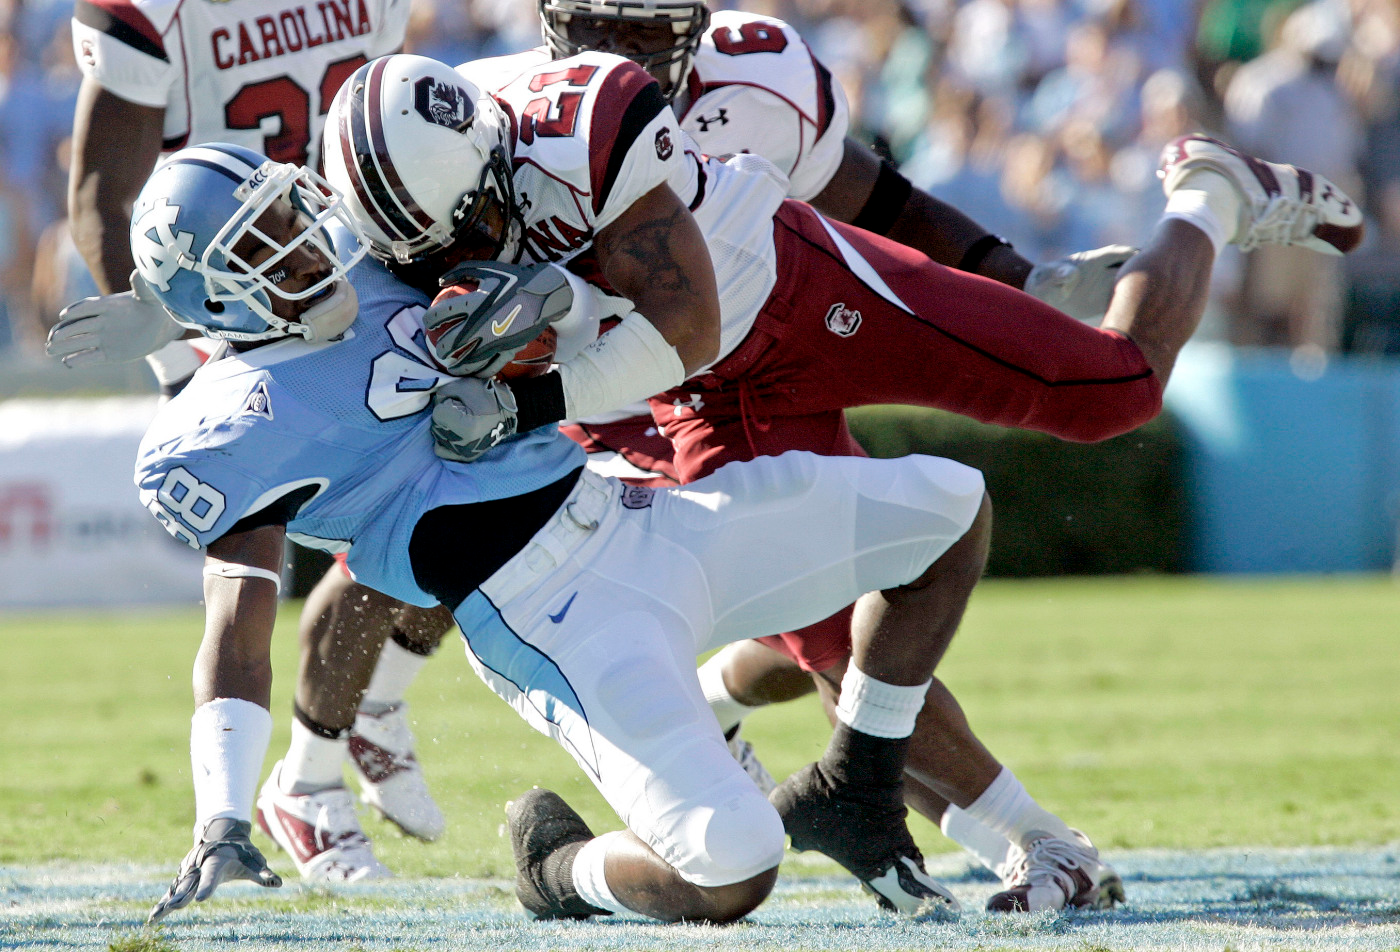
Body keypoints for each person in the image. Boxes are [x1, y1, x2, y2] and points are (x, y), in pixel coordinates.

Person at [267, 1, 1146, 910]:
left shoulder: (615, 116)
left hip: (770, 292)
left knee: (1109, 394)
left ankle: (1208, 199)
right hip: (653, 379)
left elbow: (714, 307)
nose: (463, 251)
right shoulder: (390, 176)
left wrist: (1004, 269)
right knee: (825, 621)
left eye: (472, 221)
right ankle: (1017, 833)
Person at [89, 140, 992, 925]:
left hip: (637, 511)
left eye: (285, 212)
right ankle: (557, 871)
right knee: (735, 865)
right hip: (549, 618)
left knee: (951, 509)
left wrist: (542, 299)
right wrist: (222, 817)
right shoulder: (226, 432)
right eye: (262, 248)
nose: (300, 242)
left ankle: (860, 787)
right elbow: (235, 634)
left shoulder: (373, 253)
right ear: (215, 298)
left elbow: (541, 262)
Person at [66, 0, 411, 387]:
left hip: (355, 244)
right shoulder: (151, 14)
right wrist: (180, 350)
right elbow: (101, 204)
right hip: (227, 281)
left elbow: (390, 131)